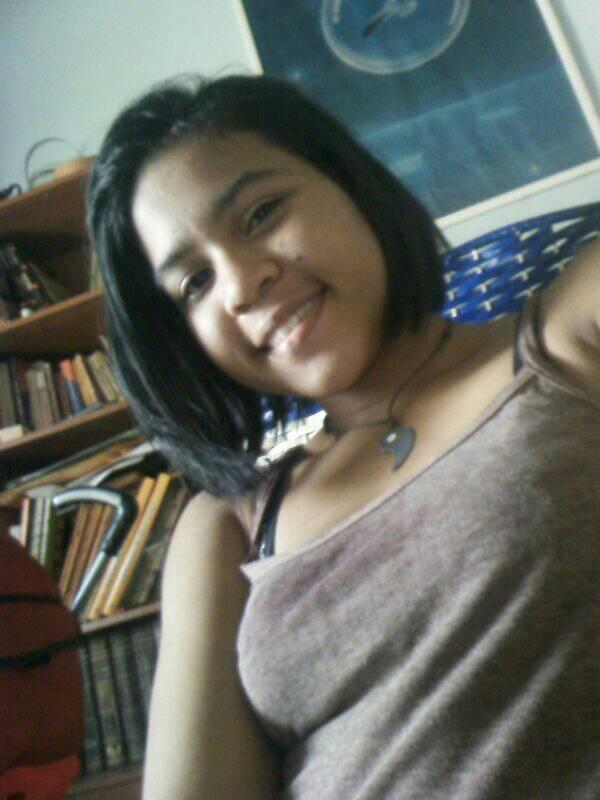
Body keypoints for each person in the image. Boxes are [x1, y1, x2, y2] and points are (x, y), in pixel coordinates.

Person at [88, 74, 600, 799]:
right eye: (194, 283)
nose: (240, 286)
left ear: (353, 185)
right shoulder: (226, 529)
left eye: (261, 213)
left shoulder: (569, 334)